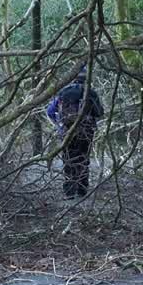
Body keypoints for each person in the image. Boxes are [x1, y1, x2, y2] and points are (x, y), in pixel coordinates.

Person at [46, 67, 104, 199]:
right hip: (86, 132)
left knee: (68, 160)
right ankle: (82, 190)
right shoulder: (91, 93)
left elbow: (50, 111)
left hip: (66, 131)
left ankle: (69, 192)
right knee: (83, 159)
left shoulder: (63, 92)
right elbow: (99, 112)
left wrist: (59, 124)